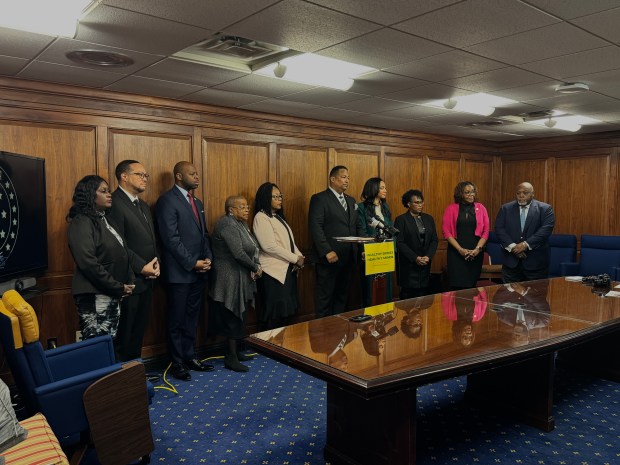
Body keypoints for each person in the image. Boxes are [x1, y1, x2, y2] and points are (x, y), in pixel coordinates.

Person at [67, 175, 158, 341]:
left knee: (110, 342)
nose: (109, 194)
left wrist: (126, 282)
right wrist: (117, 286)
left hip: (111, 292)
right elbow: (88, 263)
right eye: (103, 191)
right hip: (95, 294)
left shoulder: (104, 220)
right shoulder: (81, 222)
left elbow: (124, 251)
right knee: (98, 345)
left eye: (109, 191)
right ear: (89, 195)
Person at [155, 161, 214, 381]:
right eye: (192, 174)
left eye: (197, 173)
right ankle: (177, 363)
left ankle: (190, 356)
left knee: (192, 317)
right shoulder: (167, 201)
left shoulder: (197, 202)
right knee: (177, 319)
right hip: (179, 273)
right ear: (178, 176)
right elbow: (171, 240)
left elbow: (204, 235)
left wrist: (208, 257)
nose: (197, 177)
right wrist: (192, 263)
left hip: (199, 272)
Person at [107, 160, 159, 362]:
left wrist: (156, 264)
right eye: (140, 174)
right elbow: (117, 244)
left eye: (146, 175)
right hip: (128, 279)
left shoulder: (143, 205)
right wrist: (141, 267)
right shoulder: (113, 203)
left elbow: (152, 242)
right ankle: (123, 383)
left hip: (148, 279)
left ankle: (135, 375)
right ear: (124, 176)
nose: (145, 179)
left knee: (138, 332)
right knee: (124, 335)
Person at [209, 195, 262, 372]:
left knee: (241, 313)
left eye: (247, 206)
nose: (247, 209)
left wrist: (255, 265)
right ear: (231, 209)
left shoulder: (241, 224)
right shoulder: (226, 223)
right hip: (228, 277)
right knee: (232, 314)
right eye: (242, 207)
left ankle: (238, 350)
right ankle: (230, 357)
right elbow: (238, 253)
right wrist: (255, 267)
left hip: (241, 274)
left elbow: (253, 247)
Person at [308, 165, 365, 318]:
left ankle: (337, 331)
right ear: (333, 179)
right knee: (325, 298)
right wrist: (326, 250)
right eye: (343, 177)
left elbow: (358, 226)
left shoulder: (351, 200)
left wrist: (362, 249)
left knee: (342, 297)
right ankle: (322, 335)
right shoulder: (319, 199)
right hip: (329, 259)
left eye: (348, 177)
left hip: (348, 258)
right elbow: (315, 227)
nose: (347, 180)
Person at [253, 182, 304, 330]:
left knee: (286, 314)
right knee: (274, 315)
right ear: (265, 198)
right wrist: (295, 259)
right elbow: (268, 246)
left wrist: (300, 257)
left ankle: (280, 349)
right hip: (273, 273)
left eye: (280, 196)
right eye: (275, 196)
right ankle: (269, 349)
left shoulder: (277, 217)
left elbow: (290, 242)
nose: (279, 199)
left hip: (286, 270)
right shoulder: (261, 217)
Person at [495, 182, 555, 283]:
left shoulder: (545, 209)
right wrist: (514, 247)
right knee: (508, 297)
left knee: (535, 297)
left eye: (525, 193)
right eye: (518, 193)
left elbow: (546, 230)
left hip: (536, 264)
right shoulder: (505, 208)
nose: (521, 196)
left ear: (532, 194)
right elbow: (499, 229)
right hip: (511, 263)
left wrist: (525, 245)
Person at [442, 181, 490, 290]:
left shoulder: (481, 208)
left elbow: (486, 231)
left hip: (476, 252)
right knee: (456, 287)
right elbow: (446, 232)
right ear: (460, 194)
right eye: (467, 192)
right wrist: (460, 250)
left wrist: (477, 249)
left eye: (473, 192)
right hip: (456, 252)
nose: (471, 194)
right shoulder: (451, 208)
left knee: (471, 287)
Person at [394, 189, 438, 299]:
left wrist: (428, 256)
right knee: (408, 297)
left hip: (425, 263)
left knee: (423, 296)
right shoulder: (401, 220)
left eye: (421, 202)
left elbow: (434, 240)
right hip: (409, 264)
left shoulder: (429, 218)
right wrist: (415, 258)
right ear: (408, 204)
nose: (420, 205)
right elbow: (400, 242)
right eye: (416, 202)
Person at [356, 177, 393, 306]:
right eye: (382, 188)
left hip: (385, 254)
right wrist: (365, 250)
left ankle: (385, 320)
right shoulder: (362, 207)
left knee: (385, 289)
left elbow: (390, 229)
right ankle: (371, 323)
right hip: (371, 254)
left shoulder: (385, 207)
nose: (385, 190)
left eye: (385, 187)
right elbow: (361, 231)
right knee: (371, 290)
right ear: (373, 189)